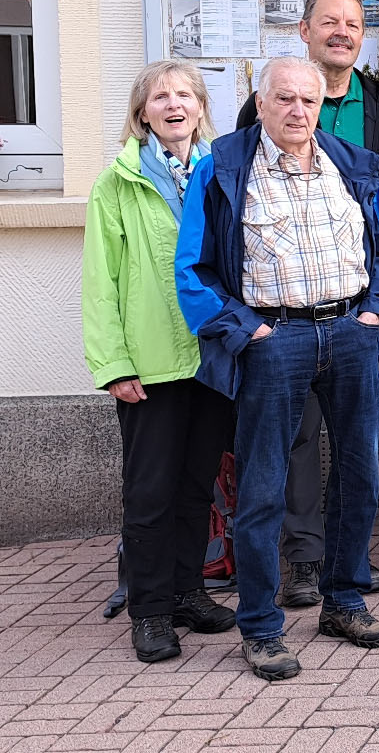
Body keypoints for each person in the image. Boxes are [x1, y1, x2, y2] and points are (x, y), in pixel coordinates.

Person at [176, 56, 379, 681]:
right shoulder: (222, 167)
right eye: (285, 99)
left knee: (360, 476)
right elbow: (192, 269)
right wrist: (246, 331)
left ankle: (344, 600)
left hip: (351, 333)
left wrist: (376, 311)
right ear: (261, 101)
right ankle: (260, 625)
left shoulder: (350, 164)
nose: (298, 111)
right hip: (273, 339)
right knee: (263, 486)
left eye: (308, 100)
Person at [236, 0, 379, 605]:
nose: (342, 32)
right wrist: (246, 325)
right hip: (278, 322)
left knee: (359, 457)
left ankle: (346, 575)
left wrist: (378, 308)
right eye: (328, 21)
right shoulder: (247, 133)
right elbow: (223, 239)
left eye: (354, 24)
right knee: (294, 444)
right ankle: (303, 559)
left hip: (350, 315)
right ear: (304, 32)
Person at [82, 61, 234, 664]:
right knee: (150, 493)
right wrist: (114, 363)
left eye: (184, 95)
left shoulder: (221, 172)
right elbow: (101, 283)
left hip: (210, 357)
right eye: (160, 97)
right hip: (149, 364)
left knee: (198, 487)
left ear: (200, 106)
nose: (174, 105)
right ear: (142, 112)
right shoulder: (116, 184)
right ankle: (148, 611)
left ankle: (186, 592)